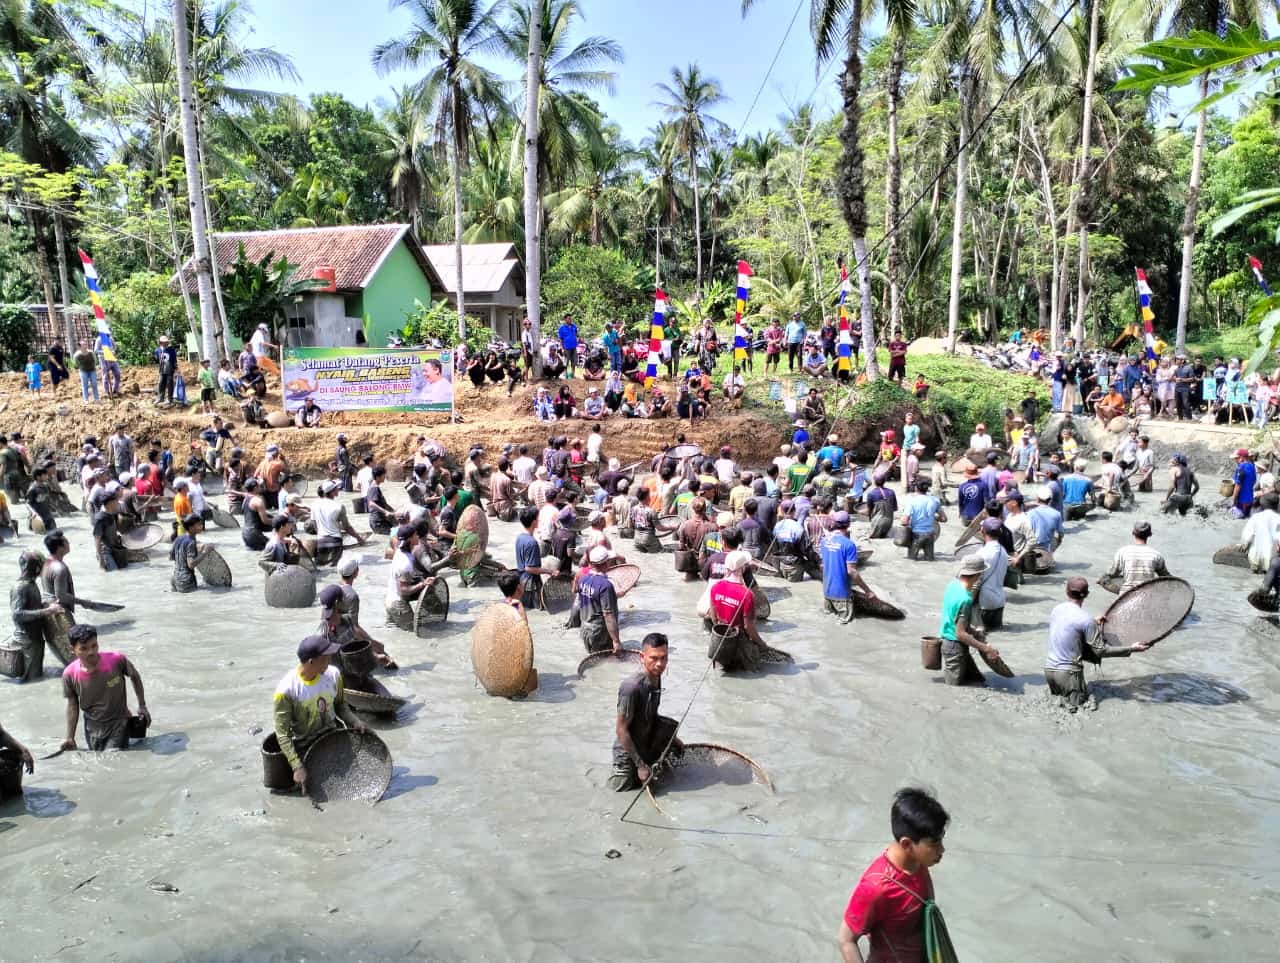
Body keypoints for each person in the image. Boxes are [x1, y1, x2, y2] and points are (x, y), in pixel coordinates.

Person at [838, 788, 950, 963]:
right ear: (907, 844)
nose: (942, 850)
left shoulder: (919, 862)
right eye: (935, 843)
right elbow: (846, 940)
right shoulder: (876, 888)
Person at [272, 634, 366, 789]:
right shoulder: (286, 690)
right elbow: (282, 734)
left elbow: (341, 705)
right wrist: (297, 766)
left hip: (333, 735)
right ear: (311, 661)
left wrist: (355, 721)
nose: (330, 661)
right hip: (306, 745)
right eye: (326, 657)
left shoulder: (333, 675)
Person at [1046, 578, 1153, 710]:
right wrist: (1132, 648)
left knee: (1059, 707)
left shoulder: (1057, 609)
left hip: (1049, 671)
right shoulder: (1085, 619)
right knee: (1077, 711)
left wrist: (1093, 622)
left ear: (1067, 592)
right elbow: (1101, 651)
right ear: (1086, 594)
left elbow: (1070, 629)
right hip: (1069, 674)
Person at [608, 632, 681, 791]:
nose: (659, 664)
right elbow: (621, 730)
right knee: (620, 792)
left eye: (664, 658)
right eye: (653, 658)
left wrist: (674, 739)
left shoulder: (656, 677)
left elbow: (651, 716)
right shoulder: (631, 688)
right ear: (642, 657)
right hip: (628, 755)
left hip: (646, 744)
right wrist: (640, 766)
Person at [60, 624, 149, 751]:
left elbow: (135, 676)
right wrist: (70, 737)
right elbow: (72, 705)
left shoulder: (116, 660)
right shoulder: (69, 674)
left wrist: (142, 706)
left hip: (119, 723)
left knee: (113, 757)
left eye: (94, 646)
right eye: (83, 648)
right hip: (92, 728)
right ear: (72, 649)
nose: (91, 652)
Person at [938, 555, 1002, 686]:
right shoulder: (965, 599)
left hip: (949, 643)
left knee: (977, 681)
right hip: (954, 648)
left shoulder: (952, 585)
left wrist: (974, 632)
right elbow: (960, 633)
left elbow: (953, 619)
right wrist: (986, 649)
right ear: (978, 575)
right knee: (954, 688)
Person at [11, 551, 62, 683]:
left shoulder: (31, 584)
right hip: (26, 643)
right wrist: (47, 611)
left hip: (35, 640)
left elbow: (31, 607)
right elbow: (17, 614)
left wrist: (45, 604)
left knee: (36, 679)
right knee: (29, 680)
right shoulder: (20, 588)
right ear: (36, 568)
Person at [820, 512, 878, 623]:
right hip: (842, 594)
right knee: (845, 624)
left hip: (827, 592)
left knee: (829, 618)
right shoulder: (849, 545)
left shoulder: (824, 541)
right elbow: (851, 571)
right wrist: (868, 591)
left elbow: (823, 566)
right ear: (848, 524)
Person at [576, 546, 623, 653]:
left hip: (585, 630)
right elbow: (608, 616)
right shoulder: (606, 585)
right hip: (599, 633)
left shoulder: (583, 579)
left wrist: (615, 595)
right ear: (606, 563)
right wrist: (616, 641)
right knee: (607, 661)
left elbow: (589, 600)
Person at [975, 518, 1010, 630]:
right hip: (999, 602)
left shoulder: (982, 553)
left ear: (982, 531)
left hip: (984, 602)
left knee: (980, 636)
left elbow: (975, 581)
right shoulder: (1003, 551)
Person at [899, 480, 945, 561]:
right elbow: (944, 519)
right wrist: (932, 517)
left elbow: (904, 521)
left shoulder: (912, 501)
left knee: (911, 560)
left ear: (916, 488)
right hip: (930, 535)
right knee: (930, 560)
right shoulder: (935, 500)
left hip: (916, 535)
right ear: (927, 489)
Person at [1232, 447, 1257, 518]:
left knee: (1237, 516)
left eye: (1236, 458)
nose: (1235, 460)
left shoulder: (1241, 468)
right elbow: (1254, 480)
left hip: (1242, 501)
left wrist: (1233, 500)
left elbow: (1238, 485)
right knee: (1247, 516)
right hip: (1250, 500)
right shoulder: (1252, 466)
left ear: (1242, 457)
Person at [73, 339, 99, 403]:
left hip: (92, 370)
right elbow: (76, 363)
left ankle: (96, 398)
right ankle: (86, 399)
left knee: (94, 383)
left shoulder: (90, 352)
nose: (85, 346)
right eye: (83, 344)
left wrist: (94, 366)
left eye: (85, 344)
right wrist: (79, 367)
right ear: (80, 347)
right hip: (83, 371)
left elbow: (95, 360)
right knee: (85, 385)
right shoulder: (77, 355)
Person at [558, 314, 579, 379]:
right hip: (566, 347)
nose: (570, 319)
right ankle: (565, 375)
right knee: (566, 362)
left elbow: (576, 334)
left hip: (574, 347)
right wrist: (562, 348)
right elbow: (561, 339)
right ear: (565, 319)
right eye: (569, 318)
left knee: (574, 361)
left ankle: (573, 374)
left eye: (570, 318)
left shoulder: (574, 326)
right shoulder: (561, 328)